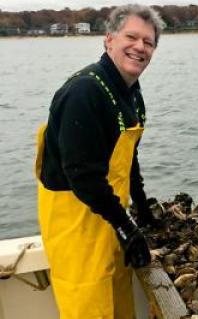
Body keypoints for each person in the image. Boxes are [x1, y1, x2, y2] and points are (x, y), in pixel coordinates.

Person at [35, 5, 163, 318]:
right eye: (131, 37)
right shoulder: (84, 91)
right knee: (90, 308)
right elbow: (82, 175)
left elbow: (128, 157)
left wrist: (141, 207)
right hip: (76, 228)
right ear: (109, 40)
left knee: (119, 307)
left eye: (148, 42)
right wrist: (126, 228)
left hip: (109, 219)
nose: (139, 47)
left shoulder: (130, 91)